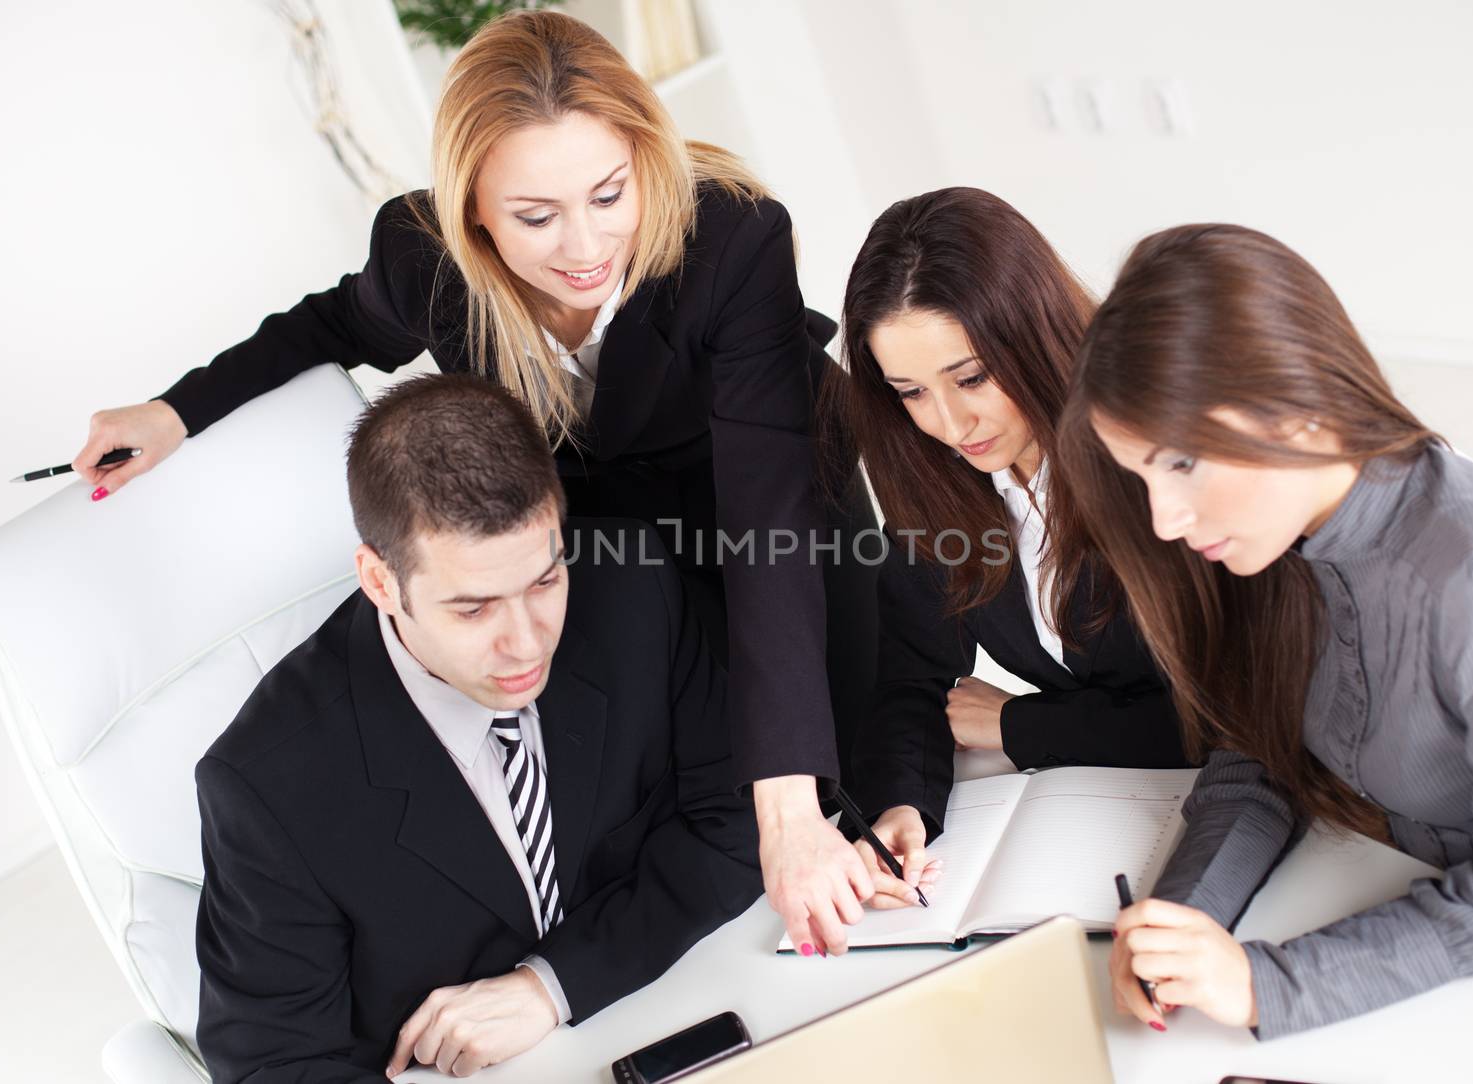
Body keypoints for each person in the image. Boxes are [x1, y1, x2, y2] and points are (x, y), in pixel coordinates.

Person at [74, 10, 878, 957]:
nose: (585, 246)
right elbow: (330, 325)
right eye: (535, 217)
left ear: (643, 160)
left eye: (609, 194)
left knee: (828, 790)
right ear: (475, 215)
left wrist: (791, 806)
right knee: (671, 790)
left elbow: (764, 523)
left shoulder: (732, 240)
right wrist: (174, 412)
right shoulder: (427, 259)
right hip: (604, 535)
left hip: (770, 507)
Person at [1056, 223, 1473, 1038]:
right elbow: (1258, 748)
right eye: (1143, 477)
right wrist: (1182, 927)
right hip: (1381, 896)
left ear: (1295, 408)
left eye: (1182, 463)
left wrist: (1270, 985)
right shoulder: (1281, 537)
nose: (1163, 520)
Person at [194, 373, 763, 1081]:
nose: (527, 644)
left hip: (660, 1017)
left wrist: (551, 985)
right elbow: (272, 1066)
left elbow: (740, 817)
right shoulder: (266, 785)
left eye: (544, 581)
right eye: (473, 609)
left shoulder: (633, 591)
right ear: (380, 582)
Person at [825, 188, 1188, 909]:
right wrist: (902, 806)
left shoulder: (1151, 455)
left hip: (1223, 814)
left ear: (1031, 334)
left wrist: (1023, 725)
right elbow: (913, 677)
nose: (950, 423)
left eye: (971, 378)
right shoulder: (938, 477)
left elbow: (1228, 713)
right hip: (1098, 817)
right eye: (911, 392)